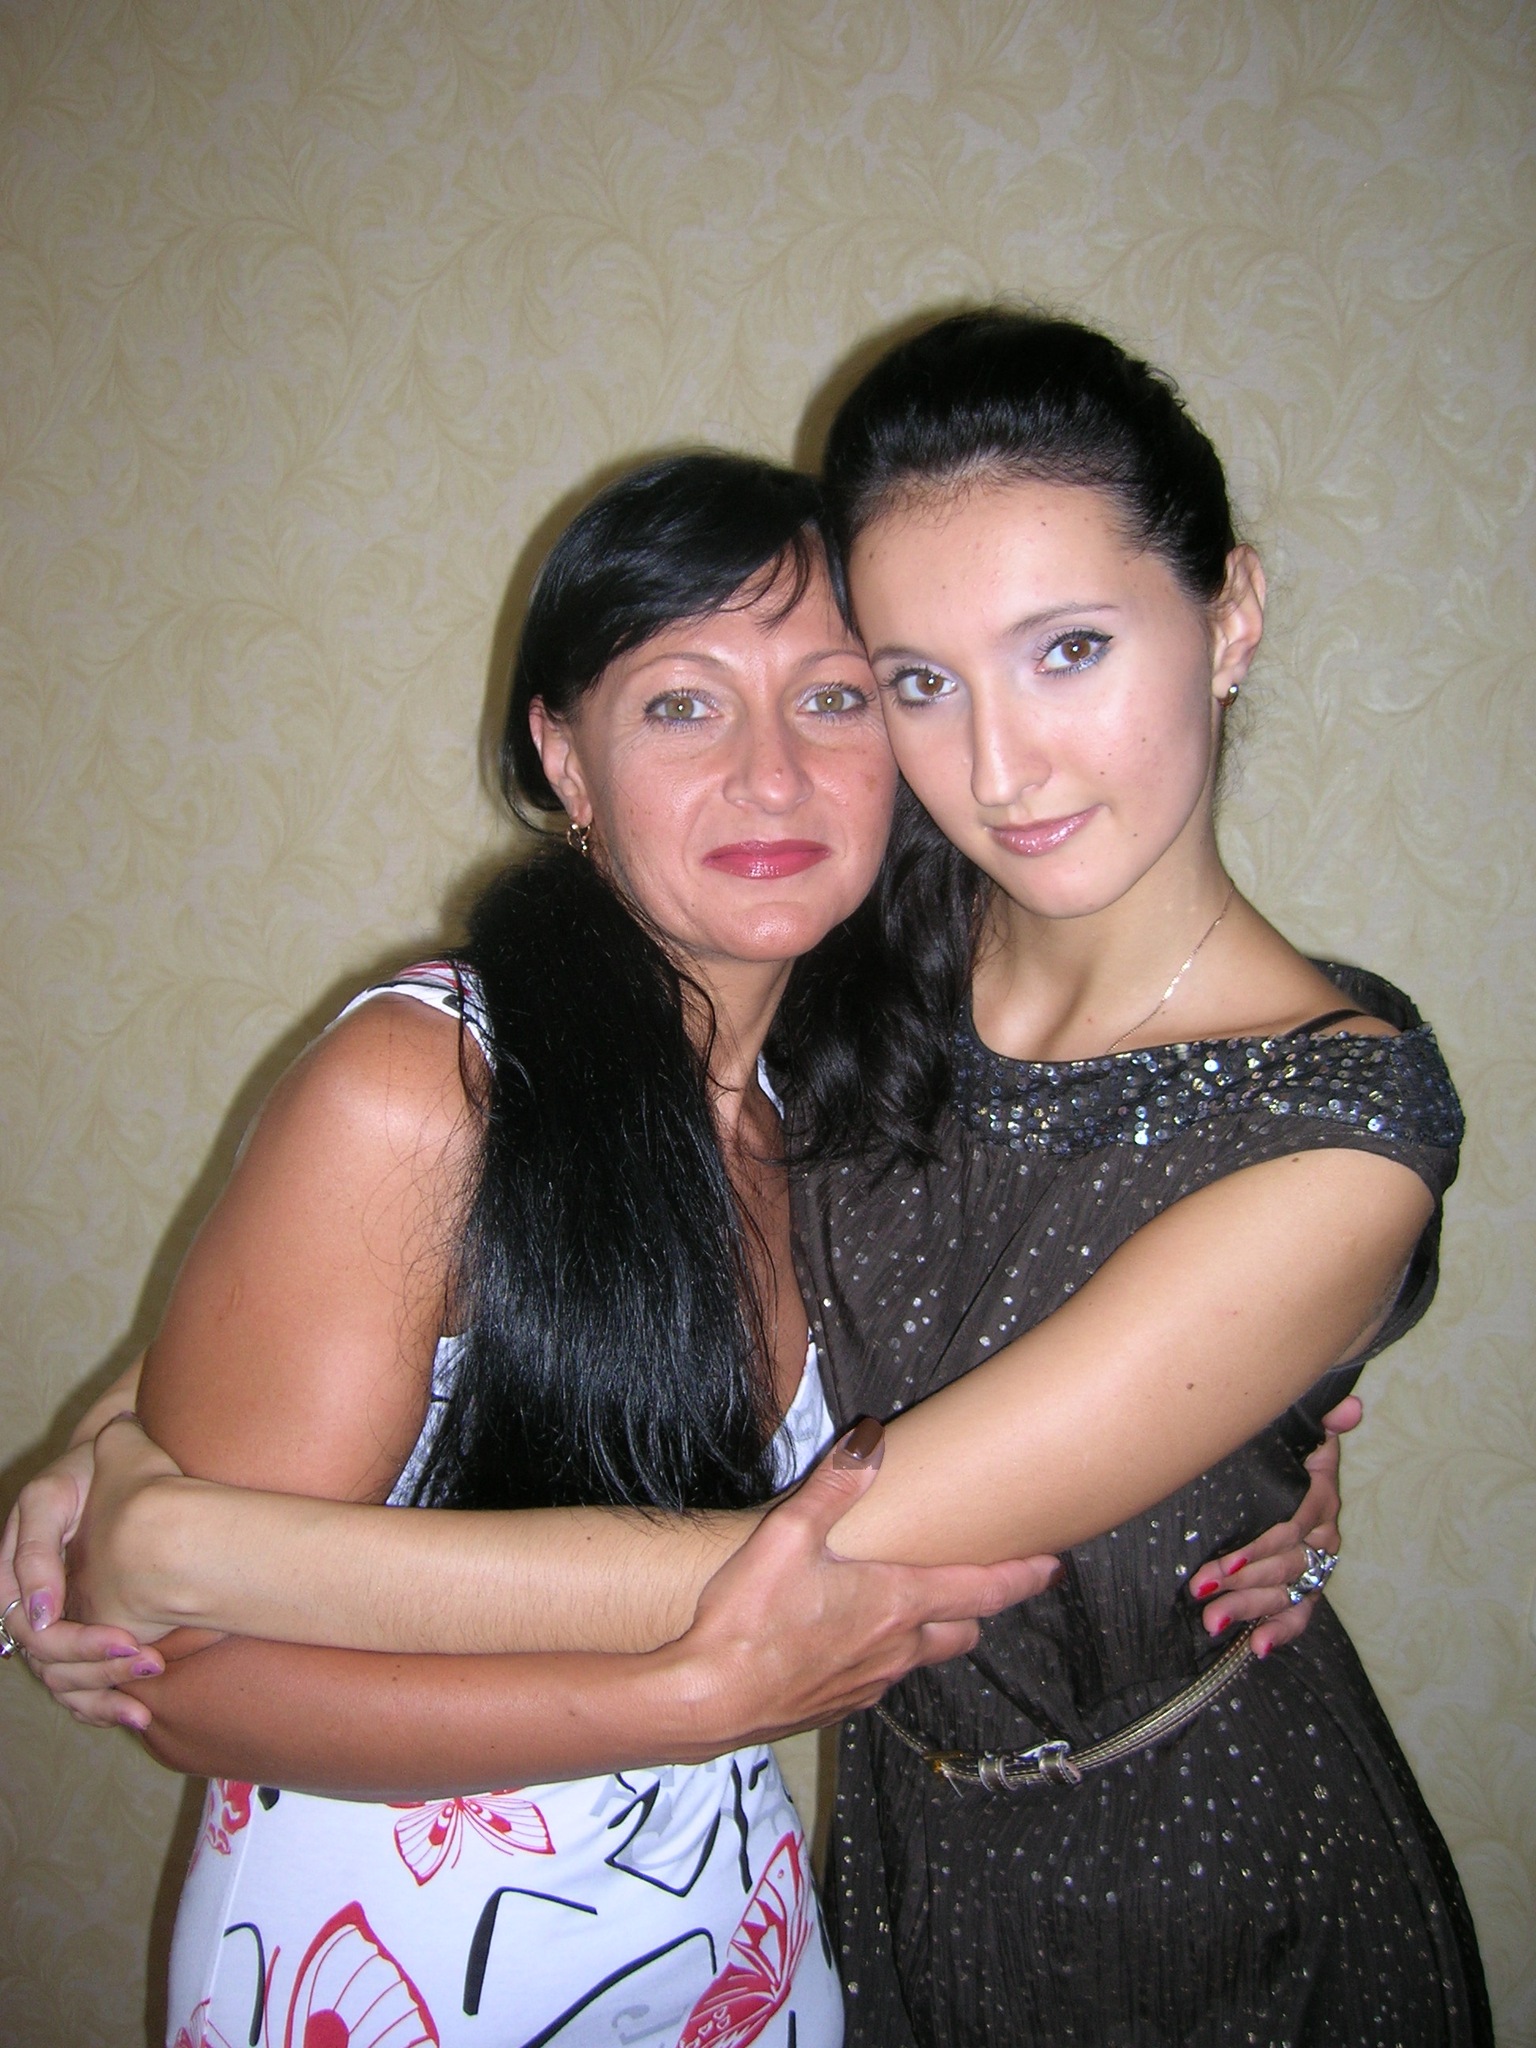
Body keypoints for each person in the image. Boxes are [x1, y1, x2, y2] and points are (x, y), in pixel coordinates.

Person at [5, 370, 1374, 2040]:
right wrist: (679, 1693)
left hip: (742, 1946)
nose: (772, 777)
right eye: (679, 706)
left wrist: (1250, 1466)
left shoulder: (845, 1104)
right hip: (403, 1967)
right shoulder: (428, 1090)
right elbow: (191, 1686)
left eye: (840, 699)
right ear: (561, 755)